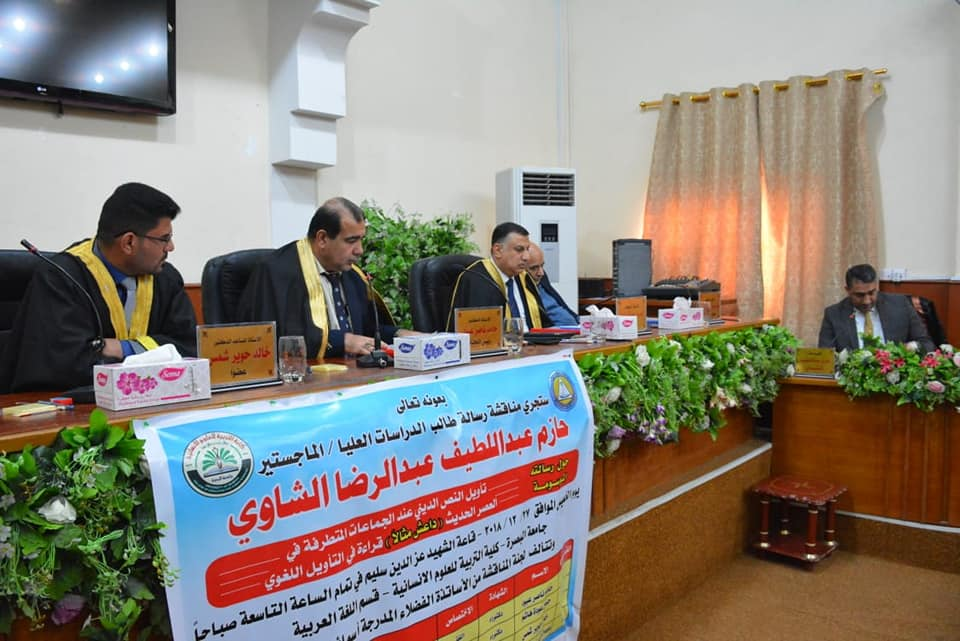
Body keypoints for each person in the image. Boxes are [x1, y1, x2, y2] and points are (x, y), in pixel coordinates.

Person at [0, 183, 197, 393]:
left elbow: (189, 347)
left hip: (155, 400)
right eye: (164, 239)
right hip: (70, 405)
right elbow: (66, 364)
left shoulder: (166, 278)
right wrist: (152, 352)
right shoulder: (61, 278)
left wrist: (121, 347)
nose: (171, 247)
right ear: (129, 243)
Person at [238, 197, 410, 359]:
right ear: (322, 239)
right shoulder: (278, 272)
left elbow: (367, 331)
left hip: (354, 372)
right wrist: (343, 341)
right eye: (351, 241)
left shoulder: (351, 275)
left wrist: (401, 335)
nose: (360, 250)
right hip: (306, 376)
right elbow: (276, 339)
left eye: (361, 240)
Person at [446, 222, 551, 331]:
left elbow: (544, 323)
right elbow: (477, 332)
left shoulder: (524, 278)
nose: (526, 257)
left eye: (527, 249)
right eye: (519, 249)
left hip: (533, 341)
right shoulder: (477, 280)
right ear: (498, 251)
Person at [818, 263, 935, 353]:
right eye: (860, 295)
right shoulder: (834, 314)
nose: (867, 301)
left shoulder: (900, 305)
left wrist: (909, 348)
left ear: (877, 287)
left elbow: (927, 344)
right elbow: (825, 355)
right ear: (847, 290)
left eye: (871, 293)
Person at [526, 242, 579, 326]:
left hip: (575, 329)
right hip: (554, 333)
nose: (541, 273)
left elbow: (563, 306)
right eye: (534, 268)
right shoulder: (522, 294)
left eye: (542, 266)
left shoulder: (542, 280)